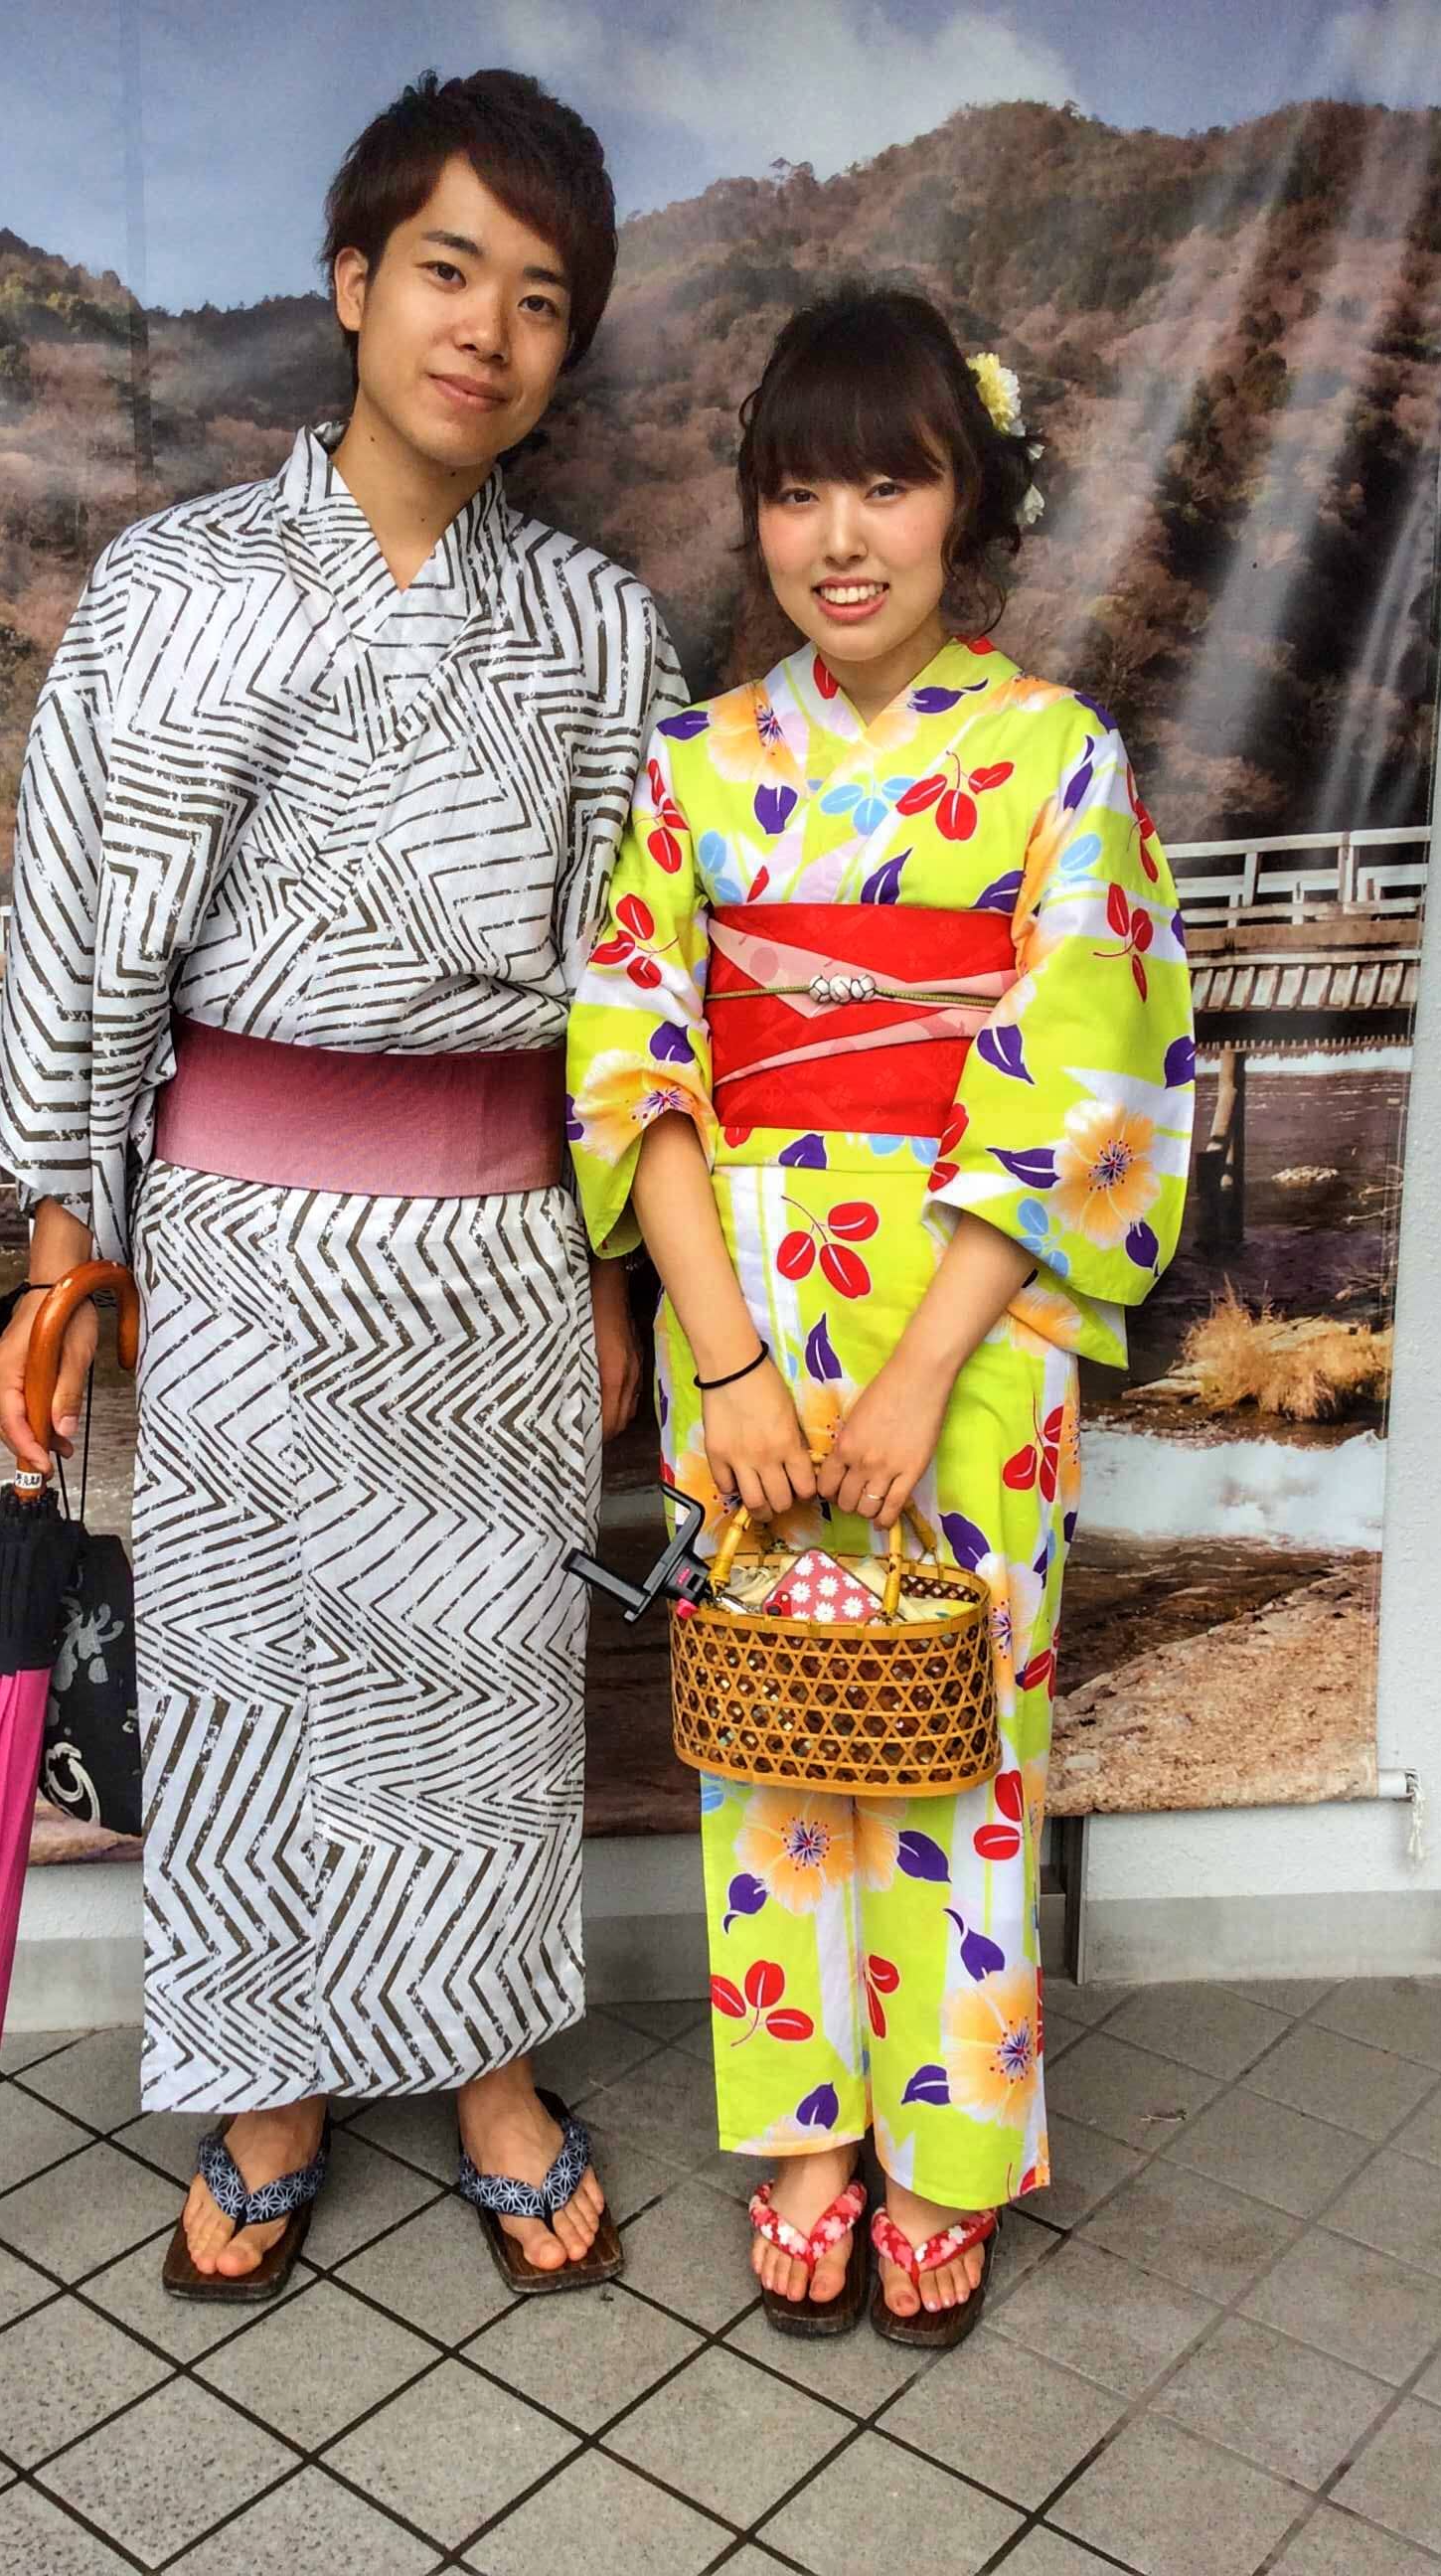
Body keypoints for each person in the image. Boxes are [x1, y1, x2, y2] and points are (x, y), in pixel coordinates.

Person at [0, 70, 682, 2299]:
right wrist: (64, 1249)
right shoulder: (169, 588)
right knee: (244, 1687)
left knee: (484, 1686)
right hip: (237, 1242)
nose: (488, 328)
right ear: (355, 281)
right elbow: (77, 925)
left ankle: (491, 2069)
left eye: (542, 298)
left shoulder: (598, 628)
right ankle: (265, 2081)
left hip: (493, 1244)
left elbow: (637, 984)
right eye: (450, 270)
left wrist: (611, 1269)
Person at [568, 289, 1194, 2343]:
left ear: (967, 505)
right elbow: (633, 1058)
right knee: (767, 1734)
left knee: (959, 1734)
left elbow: (1085, 1076)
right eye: (795, 491)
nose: (839, 539)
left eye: (889, 485)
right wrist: (723, 1357)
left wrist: (927, 1370)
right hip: (741, 1305)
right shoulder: (694, 765)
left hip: (972, 1324)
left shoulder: (1052, 758)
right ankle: (808, 2137)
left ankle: (947, 2148)